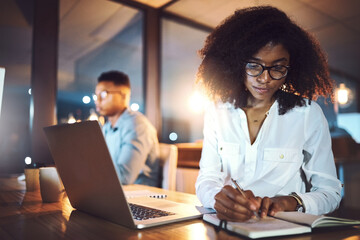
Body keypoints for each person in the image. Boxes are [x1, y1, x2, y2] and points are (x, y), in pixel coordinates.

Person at [195, 6, 342, 222]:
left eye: (278, 68)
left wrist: (289, 202)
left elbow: (331, 193)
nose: (265, 79)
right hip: (228, 227)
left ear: (292, 68)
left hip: (285, 227)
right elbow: (207, 178)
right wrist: (217, 198)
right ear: (236, 63)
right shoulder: (217, 111)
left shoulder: (307, 114)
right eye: (254, 66)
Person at [94, 70, 160, 187]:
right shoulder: (107, 127)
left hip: (139, 197)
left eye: (103, 94)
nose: (97, 101)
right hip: (113, 190)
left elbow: (124, 177)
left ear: (123, 95)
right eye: (96, 95)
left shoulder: (137, 125)